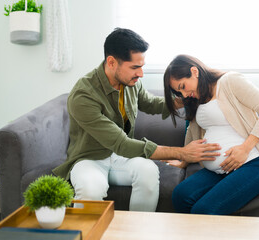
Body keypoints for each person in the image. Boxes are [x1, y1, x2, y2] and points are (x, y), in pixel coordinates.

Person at [52, 29, 221, 212]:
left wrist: (186, 98)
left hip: (121, 157)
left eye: (141, 66)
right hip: (89, 158)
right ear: (111, 62)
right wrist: (182, 153)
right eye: (134, 67)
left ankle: (138, 231)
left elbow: (151, 103)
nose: (140, 73)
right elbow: (122, 143)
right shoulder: (83, 95)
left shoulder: (131, 82)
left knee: (148, 171)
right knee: (91, 189)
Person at [163, 54, 259, 215]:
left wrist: (244, 149)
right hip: (220, 170)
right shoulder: (197, 98)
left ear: (194, 71)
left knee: (204, 210)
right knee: (180, 195)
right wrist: (183, 161)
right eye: (178, 92)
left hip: (252, 163)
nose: (184, 95)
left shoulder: (230, 81)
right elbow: (192, 131)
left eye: (182, 86)